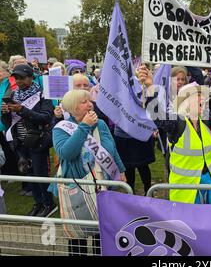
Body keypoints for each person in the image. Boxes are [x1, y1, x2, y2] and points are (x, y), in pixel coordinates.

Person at [138, 65, 211, 204]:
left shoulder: (205, 120)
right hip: (186, 192)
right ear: (186, 101)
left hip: (210, 187)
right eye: (198, 97)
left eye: (203, 97)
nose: (203, 100)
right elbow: (157, 114)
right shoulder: (176, 122)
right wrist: (150, 88)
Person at [52, 89, 126, 255]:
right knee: (78, 234)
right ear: (73, 108)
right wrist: (84, 126)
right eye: (84, 102)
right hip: (76, 185)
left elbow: (112, 149)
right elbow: (67, 153)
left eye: (89, 100)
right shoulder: (60, 128)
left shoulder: (101, 124)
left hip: (102, 184)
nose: (90, 104)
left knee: (101, 232)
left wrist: (121, 170)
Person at [1, 64, 56, 216]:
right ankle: (38, 203)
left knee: (40, 174)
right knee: (29, 173)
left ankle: (48, 203)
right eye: (16, 78)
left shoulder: (42, 95)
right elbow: (9, 122)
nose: (18, 81)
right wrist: (5, 112)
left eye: (22, 78)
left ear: (31, 77)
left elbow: (45, 116)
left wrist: (22, 110)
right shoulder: (14, 95)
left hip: (38, 140)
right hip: (21, 141)